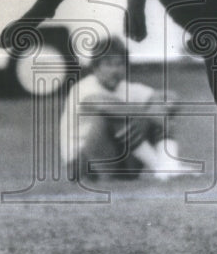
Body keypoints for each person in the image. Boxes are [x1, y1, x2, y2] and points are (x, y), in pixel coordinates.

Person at [60, 37, 192, 181]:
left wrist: (159, 108)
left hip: (121, 164)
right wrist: (150, 114)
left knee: (157, 109)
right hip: (83, 166)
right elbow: (105, 106)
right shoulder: (83, 88)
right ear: (96, 67)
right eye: (108, 64)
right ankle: (161, 169)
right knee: (113, 115)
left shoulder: (127, 88)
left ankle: (170, 167)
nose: (115, 70)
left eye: (120, 64)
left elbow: (171, 97)